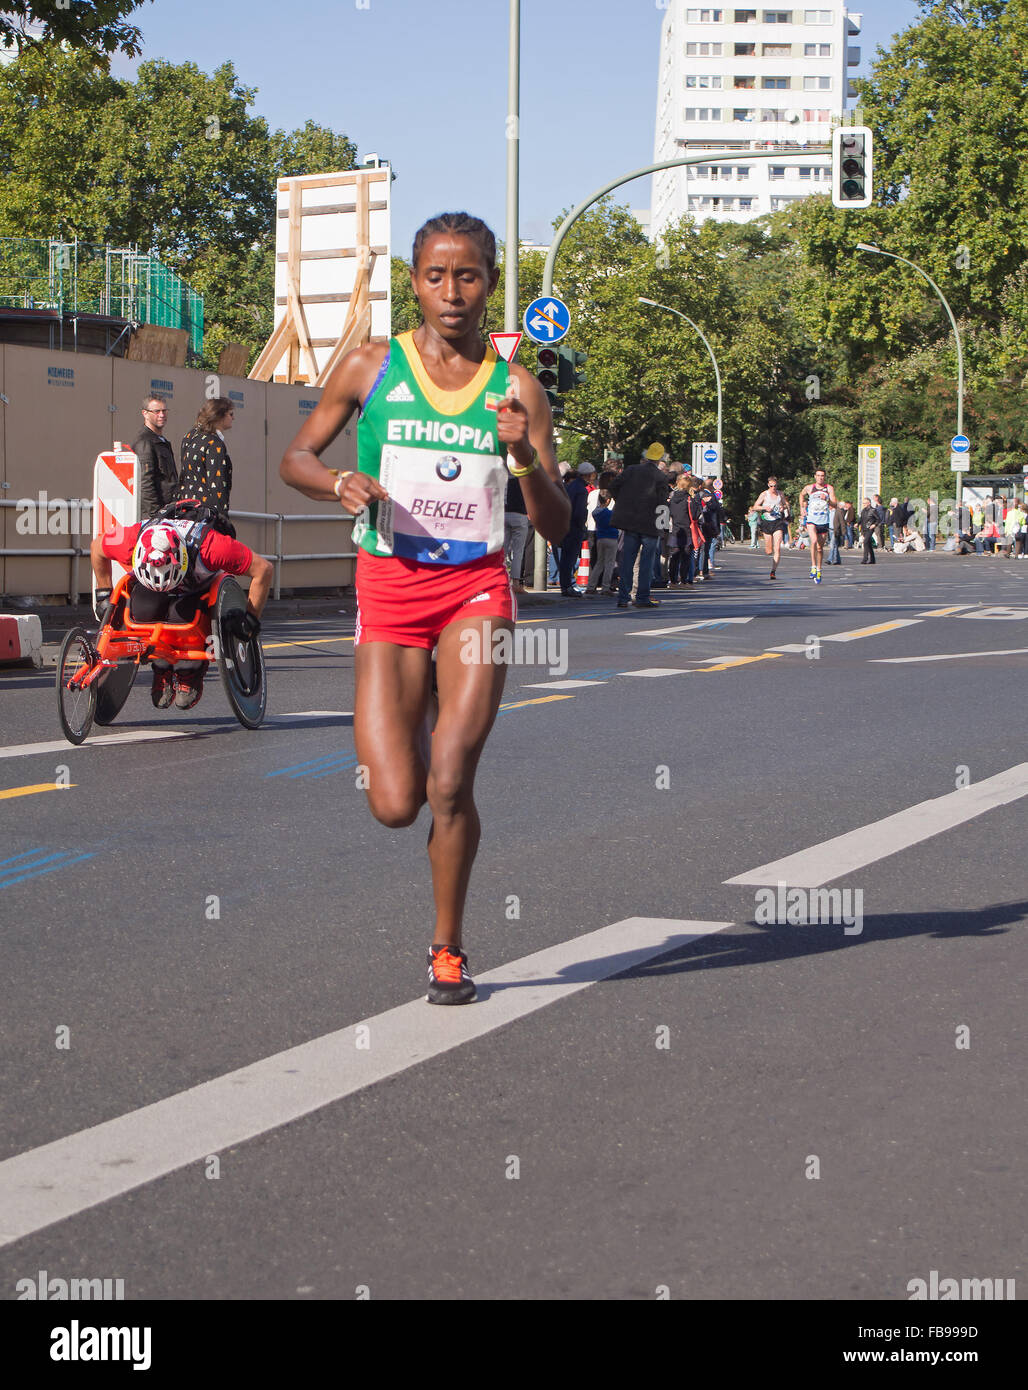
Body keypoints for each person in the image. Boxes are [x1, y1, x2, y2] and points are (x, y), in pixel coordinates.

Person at [279, 211, 569, 1005]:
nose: (452, 291)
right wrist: (338, 482)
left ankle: (448, 947)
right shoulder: (371, 366)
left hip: (477, 592)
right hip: (391, 591)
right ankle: (413, 705)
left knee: (450, 781)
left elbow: (557, 524)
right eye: (436, 276)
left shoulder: (518, 391)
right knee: (395, 802)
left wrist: (521, 459)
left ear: (491, 285)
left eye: (468, 275)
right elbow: (294, 457)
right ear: (414, 283)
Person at [89, 501, 271, 710]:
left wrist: (249, 617)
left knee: (181, 618)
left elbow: (263, 569)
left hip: (197, 589)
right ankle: (161, 667)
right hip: (151, 586)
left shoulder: (212, 547)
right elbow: (97, 548)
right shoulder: (131, 539)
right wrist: (104, 594)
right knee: (140, 612)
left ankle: (189, 672)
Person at [608, 450, 670, 608]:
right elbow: (663, 504)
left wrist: (622, 501)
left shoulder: (631, 470)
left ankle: (623, 597)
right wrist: (662, 527)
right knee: (646, 563)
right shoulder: (661, 477)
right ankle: (642, 597)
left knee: (627, 561)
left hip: (631, 522)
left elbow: (613, 486)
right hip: (650, 524)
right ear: (660, 460)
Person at [177, 398, 236, 523]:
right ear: (219, 416)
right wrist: (222, 519)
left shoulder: (190, 436)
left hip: (185, 510)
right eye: (230, 414)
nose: (233, 418)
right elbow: (218, 484)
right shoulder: (214, 444)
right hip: (206, 515)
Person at [134, 395, 178, 519]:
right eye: (156, 411)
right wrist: (155, 517)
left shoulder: (160, 441)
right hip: (156, 517)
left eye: (164, 411)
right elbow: (145, 484)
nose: (162, 415)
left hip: (168, 512)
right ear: (145, 413)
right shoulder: (145, 442)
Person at [799, 467, 837, 583]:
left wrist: (827, 500)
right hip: (811, 519)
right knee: (813, 541)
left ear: (824, 477)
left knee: (820, 548)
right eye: (818, 475)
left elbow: (835, 504)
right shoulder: (810, 488)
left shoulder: (829, 488)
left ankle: (819, 569)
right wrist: (802, 508)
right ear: (815, 476)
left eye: (822, 476)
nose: (820, 477)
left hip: (823, 520)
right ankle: (813, 566)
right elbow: (801, 495)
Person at [559, 462, 591, 596]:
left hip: (566, 524)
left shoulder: (570, 487)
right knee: (570, 558)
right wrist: (582, 525)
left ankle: (565, 585)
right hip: (575, 527)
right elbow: (579, 512)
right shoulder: (581, 490)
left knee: (565, 558)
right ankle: (568, 586)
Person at [751, 476, 788, 580]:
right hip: (767, 522)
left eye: (775, 486)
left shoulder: (780, 494)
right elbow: (755, 506)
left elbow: (785, 505)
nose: (773, 488)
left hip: (777, 522)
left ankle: (773, 571)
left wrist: (782, 507)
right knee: (769, 551)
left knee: (777, 548)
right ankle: (769, 550)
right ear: (768, 485)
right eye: (771, 486)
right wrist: (764, 508)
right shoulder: (764, 494)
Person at [503, 472, 530, 593]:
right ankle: (516, 583)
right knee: (518, 551)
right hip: (520, 515)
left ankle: (501, 580)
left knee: (502, 551)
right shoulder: (523, 481)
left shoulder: (503, 480)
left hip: (504, 514)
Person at [589, 488, 619, 593]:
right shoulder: (609, 514)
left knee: (599, 563)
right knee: (609, 564)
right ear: (607, 500)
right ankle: (605, 587)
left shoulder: (595, 513)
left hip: (600, 538)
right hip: (611, 538)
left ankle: (591, 586)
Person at [668, 470, 694, 586]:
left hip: (675, 531)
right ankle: (684, 581)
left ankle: (673, 581)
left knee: (674, 557)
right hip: (687, 531)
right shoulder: (689, 500)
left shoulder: (672, 499)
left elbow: (671, 514)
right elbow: (695, 515)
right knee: (686, 557)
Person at [859, 497, 878, 565]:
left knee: (865, 542)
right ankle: (873, 559)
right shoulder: (863, 511)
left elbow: (878, 519)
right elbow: (861, 519)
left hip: (869, 528)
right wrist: (857, 524)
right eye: (863, 503)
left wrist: (874, 525)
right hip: (864, 529)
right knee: (868, 544)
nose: (863, 504)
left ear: (869, 503)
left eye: (865, 503)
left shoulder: (873, 510)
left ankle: (865, 559)